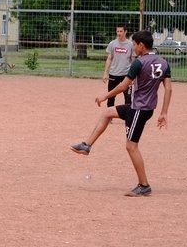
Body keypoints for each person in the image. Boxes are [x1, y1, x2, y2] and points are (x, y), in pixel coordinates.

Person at [71, 30, 173, 197]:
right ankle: (87, 145)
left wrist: (105, 95)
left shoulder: (139, 63)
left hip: (139, 109)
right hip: (143, 107)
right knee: (107, 113)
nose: (133, 47)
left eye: (134, 44)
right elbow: (168, 88)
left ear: (141, 45)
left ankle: (144, 185)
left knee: (131, 146)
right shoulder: (163, 62)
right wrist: (164, 113)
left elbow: (123, 86)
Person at [102, 24, 134, 107]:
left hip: (126, 75)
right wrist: (105, 73)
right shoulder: (112, 44)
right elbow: (109, 58)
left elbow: (133, 60)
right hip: (113, 74)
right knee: (111, 96)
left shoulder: (130, 45)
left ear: (125, 32)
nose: (119, 33)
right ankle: (109, 116)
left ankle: (128, 117)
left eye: (121, 31)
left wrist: (134, 76)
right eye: (117, 31)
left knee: (128, 97)